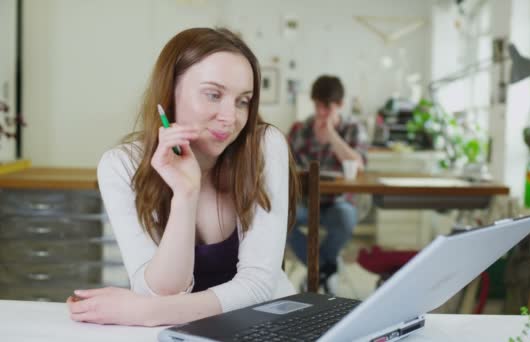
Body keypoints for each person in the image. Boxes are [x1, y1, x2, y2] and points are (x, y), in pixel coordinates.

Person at [66, 27, 299, 326]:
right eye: (213, 95)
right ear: (169, 93)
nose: (231, 117)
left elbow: (259, 288)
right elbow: (162, 292)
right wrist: (185, 194)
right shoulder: (121, 166)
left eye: (243, 100)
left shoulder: (264, 146)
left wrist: (143, 312)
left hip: (265, 326)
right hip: (179, 333)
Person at [287, 75, 369, 294]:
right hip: (305, 202)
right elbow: (283, 162)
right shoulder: (302, 129)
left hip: (339, 203)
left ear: (340, 105)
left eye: (327, 107)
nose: (321, 113)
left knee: (345, 217)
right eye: (317, 106)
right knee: (281, 219)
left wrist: (332, 136)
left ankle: (316, 274)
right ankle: (325, 269)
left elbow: (358, 165)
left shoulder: (353, 128)